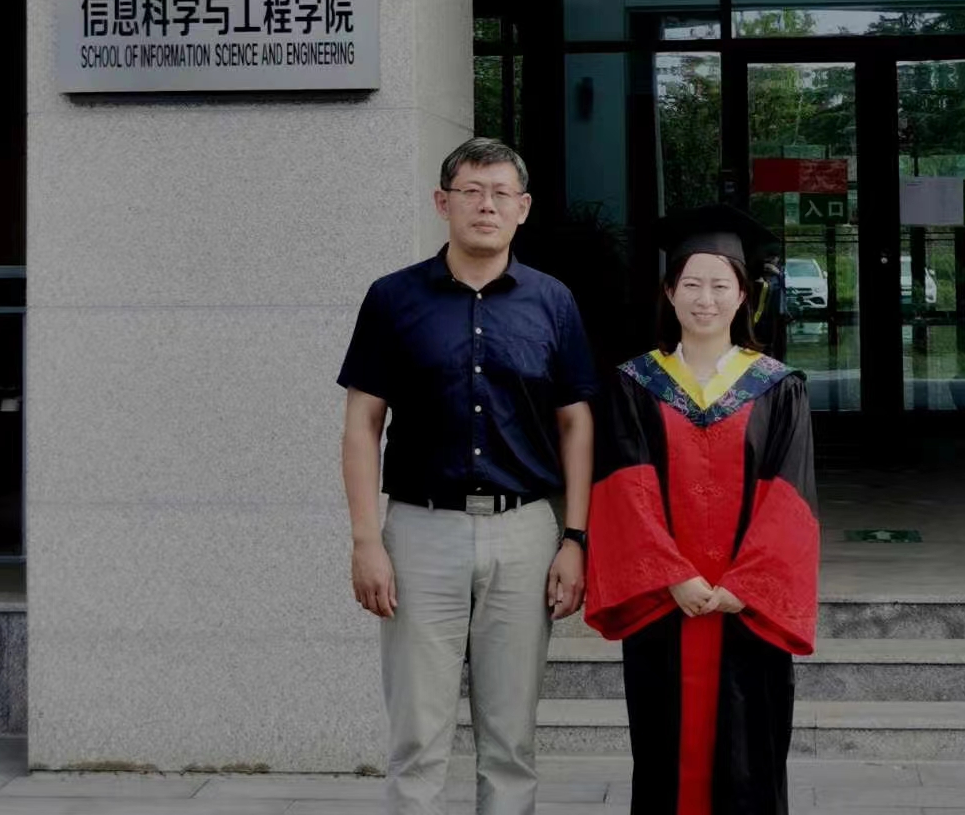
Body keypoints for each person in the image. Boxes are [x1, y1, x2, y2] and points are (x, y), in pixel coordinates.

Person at [338, 137, 597, 815]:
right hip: (420, 533)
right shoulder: (393, 298)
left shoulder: (553, 302)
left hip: (525, 532)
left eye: (501, 193)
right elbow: (362, 424)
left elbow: (576, 423)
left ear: (523, 208)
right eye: (472, 191)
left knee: (511, 743)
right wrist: (367, 540)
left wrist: (575, 537)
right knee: (417, 740)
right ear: (442, 202)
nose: (486, 205)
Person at [584, 205, 819, 815]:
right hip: (667, 607)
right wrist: (673, 576)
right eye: (691, 284)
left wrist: (746, 583)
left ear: (743, 296)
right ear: (669, 292)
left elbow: (790, 498)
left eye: (720, 285)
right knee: (664, 750)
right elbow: (624, 491)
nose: (705, 299)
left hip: (746, 610)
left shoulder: (777, 386)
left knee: (751, 753)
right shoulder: (636, 384)